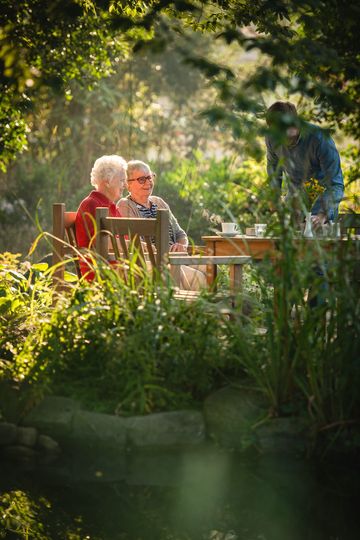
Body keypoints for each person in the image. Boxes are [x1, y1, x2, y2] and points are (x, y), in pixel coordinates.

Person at [118, 160, 206, 291]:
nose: (148, 182)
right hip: (152, 263)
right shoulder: (125, 205)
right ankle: (190, 310)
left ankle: (211, 308)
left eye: (150, 177)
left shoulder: (159, 202)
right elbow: (136, 244)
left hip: (175, 258)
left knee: (211, 269)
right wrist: (162, 253)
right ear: (127, 184)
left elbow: (180, 233)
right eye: (142, 179)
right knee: (198, 277)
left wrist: (181, 245)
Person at [265, 101, 344, 227]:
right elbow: (274, 170)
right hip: (294, 204)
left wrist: (322, 215)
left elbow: (335, 184)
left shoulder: (319, 139)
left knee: (318, 242)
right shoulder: (271, 138)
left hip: (322, 205)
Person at [75, 154, 127, 279]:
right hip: (102, 273)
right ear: (107, 181)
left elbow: (124, 240)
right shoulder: (92, 204)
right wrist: (138, 246)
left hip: (118, 268)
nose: (125, 185)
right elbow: (101, 242)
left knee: (177, 270)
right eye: (121, 180)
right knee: (166, 271)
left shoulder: (111, 206)